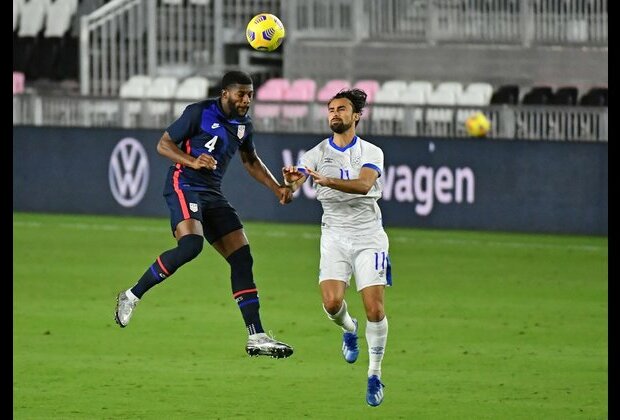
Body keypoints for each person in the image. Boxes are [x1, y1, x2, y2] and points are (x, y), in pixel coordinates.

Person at [114, 70, 294, 359]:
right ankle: (132, 295)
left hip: (212, 193)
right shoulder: (198, 113)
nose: (246, 99)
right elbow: (163, 144)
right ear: (225, 94)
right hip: (183, 183)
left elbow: (250, 160)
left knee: (242, 257)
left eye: (250, 94)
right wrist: (192, 161)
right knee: (191, 246)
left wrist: (277, 188)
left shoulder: (244, 126)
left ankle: (256, 336)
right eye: (241, 94)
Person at [282, 88, 391, 406]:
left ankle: (374, 374)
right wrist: (290, 180)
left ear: (356, 115)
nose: (334, 114)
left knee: (376, 309)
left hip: (368, 235)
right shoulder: (315, 154)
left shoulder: (371, 152)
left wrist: (328, 182)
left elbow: (363, 185)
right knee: (331, 304)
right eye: (330, 109)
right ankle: (348, 327)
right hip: (334, 236)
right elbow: (295, 184)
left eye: (341, 109)